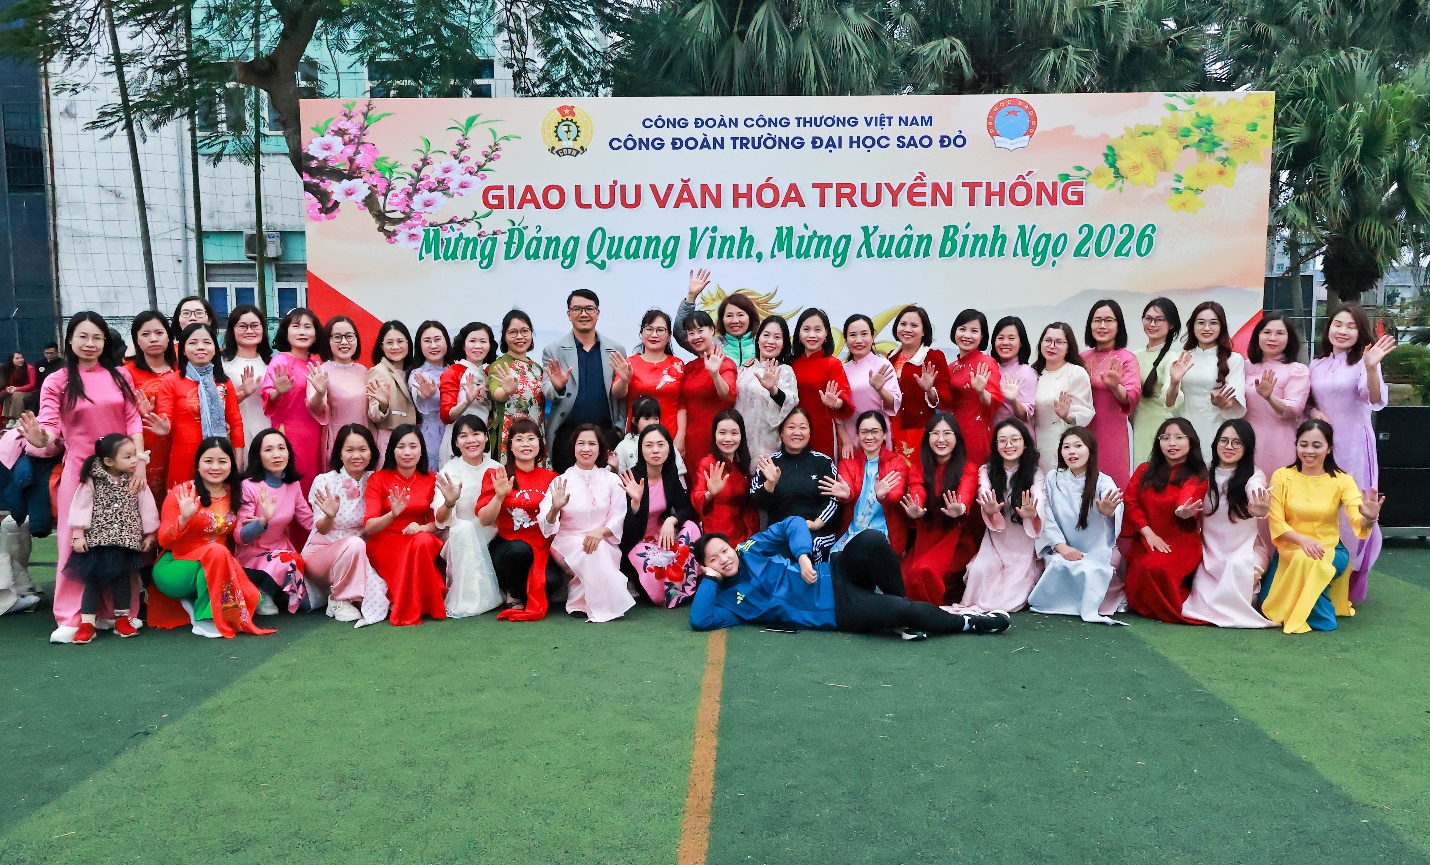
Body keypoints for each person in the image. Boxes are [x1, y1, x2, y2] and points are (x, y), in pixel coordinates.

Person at [20, 311, 147, 643]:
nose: (90, 344)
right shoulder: (57, 380)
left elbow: (133, 419)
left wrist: (140, 462)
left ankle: (119, 613)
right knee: (74, 541)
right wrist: (40, 438)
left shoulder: (120, 375)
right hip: (79, 470)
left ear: (105, 342)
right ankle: (72, 617)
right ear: (70, 340)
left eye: (97, 337)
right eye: (83, 337)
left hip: (121, 472)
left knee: (120, 539)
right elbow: (49, 427)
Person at [690, 520, 1011, 637]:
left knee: (872, 539)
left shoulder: (750, 548)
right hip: (838, 610)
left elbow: (792, 523)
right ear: (707, 567)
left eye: (724, 550)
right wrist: (710, 580)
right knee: (904, 610)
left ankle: (902, 615)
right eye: (714, 560)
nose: (724, 559)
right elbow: (700, 620)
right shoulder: (728, 602)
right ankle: (971, 624)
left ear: (732, 546)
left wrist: (802, 555)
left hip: (836, 571)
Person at [1260, 419, 1383, 634]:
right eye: (1303, 444)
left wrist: (1370, 518)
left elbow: (1358, 518)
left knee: (1309, 564)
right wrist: (1302, 540)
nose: (1309, 451)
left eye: (1317, 445)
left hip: (1330, 550)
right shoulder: (1282, 476)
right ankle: (1316, 595)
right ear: (1296, 445)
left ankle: (1319, 612)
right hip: (1290, 551)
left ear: (1329, 448)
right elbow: (1276, 521)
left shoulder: (1343, 480)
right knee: (1266, 606)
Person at [1308, 302, 1394, 603]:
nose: (1342, 331)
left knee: (1351, 509)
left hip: (1355, 446)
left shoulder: (1364, 363)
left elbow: (1374, 398)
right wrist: (1314, 412)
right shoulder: (1317, 364)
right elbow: (1308, 402)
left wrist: (1371, 367)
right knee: (1320, 507)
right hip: (1319, 449)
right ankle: (1316, 573)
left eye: (1351, 326)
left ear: (1360, 332)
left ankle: (1347, 580)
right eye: (1338, 324)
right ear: (1328, 327)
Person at [150, 437, 274, 638]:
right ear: (198, 464)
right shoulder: (183, 493)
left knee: (252, 596)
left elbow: (240, 536)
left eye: (222, 461)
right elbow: (164, 541)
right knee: (217, 552)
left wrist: (262, 520)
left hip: (216, 563)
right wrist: (183, 519)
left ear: (231, 465)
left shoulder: (236, 493)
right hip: (176, 565)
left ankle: (196, 599)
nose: (215, 467)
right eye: (208, 461)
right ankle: (204, 617)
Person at [1027, 426, 1126, 625]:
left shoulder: (1102, 481)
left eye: (1078, 446)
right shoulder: (1053, 478)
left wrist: (1109, 512)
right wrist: (1061, 547)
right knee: (1059, 565)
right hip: (1062, 549)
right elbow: (1047, 515)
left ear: (1090, 449)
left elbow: (1115, 504)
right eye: (1066, 447)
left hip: (1097, 549)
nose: (1072, 452)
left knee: (1093, 570)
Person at [64, 434, 158, 643]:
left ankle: (122, 619)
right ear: (109, 461)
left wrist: (150, 533)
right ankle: (87, 622)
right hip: (97, 542)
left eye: (135, 455)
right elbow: (81, 506)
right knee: (93, 581)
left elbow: (147, 506)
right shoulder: (93, 480)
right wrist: (78, 534)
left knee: (123, 581)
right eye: (128, 456)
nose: (134, 460)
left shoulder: (135, 480)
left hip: (125, 542)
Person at [948, 418, 1044, 615]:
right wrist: (990, 510)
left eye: (1015, 439)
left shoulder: (1036, 473)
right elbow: (984, 493)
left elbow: (1039, 499)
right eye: (1002, 440)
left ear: (1025, 443)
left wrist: (1032, 514)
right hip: (994, 543)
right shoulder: (986, 470)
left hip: (1023, 545)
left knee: (1011, 598)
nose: (1009, 445)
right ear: (996, 445)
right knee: (978, 572)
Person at [1183, 419, 1274, 628]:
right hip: (1209, 554)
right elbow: (1187, 501)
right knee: (1200, 601)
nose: (1229, 447)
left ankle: (1250, 594)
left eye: (1237, 442)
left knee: (1240, 568)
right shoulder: (1203, 474)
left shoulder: (1254, 474)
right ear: (1215, 444)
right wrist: (1185, 513)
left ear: (1247, 447)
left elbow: (1255, 487)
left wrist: (1259, 506)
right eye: (1224, 440)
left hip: (1245, 550)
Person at [540, 424, 633, 622]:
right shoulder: (561, 481)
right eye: (581, 443)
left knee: (597, 548)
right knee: (591, 550)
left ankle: (578, 601)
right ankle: (608, 604)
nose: (586, 449)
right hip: (567, 542)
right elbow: (547, 525)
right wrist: (555, 508)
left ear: (600, 448)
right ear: (573, 447)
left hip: (604, 540)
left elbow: (618, 515)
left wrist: (601, 532)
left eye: (592, 444)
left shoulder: (612, 480)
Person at [1121, 418, 1209, 625]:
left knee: (1156, 568)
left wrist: (1183, 511)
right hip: (1147, 538)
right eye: (1166, 437)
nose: (1172, 443)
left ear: (1191, 442)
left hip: (1179, 542)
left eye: (1179, 437)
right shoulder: (1144, 470)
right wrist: (1148, 534)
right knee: (1140, 570)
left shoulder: (1197, 475)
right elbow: (1131, 501)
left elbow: (1187, 499)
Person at [303, 423, 389, 627]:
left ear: (371, 452)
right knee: (355, 543)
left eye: (362, 449)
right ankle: (338, 599)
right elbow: (321, 528)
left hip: (359, 553)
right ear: (340, 453)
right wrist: (330, 516)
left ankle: (350, 595)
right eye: (349, 450)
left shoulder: (375, 480)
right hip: (321, 553)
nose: (356, 456)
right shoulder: (325, 481)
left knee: (383, 588)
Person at [363, 424, 447, 626]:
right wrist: (392, 515)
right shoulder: (378, 479)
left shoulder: (432, 479)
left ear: (422, 450)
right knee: (416, 546)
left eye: (413, 446)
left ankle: (412, 601)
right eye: (401, 446)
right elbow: (369, 526)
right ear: (392, 450)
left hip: (418, 536)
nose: (407, 452)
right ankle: (419, 602)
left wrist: (422, 528)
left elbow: (437, 523)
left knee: (423, 541)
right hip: (385, 540)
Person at [477, 418, 560, 621]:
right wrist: (499, 496)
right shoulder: (498, 474)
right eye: (519, 439)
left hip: (541, 546)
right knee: (520, 551)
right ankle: (512, 592)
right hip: (508, 546)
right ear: (510, 446)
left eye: (531, 438)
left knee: (552, 581)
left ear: (539, 444)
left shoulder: (551, 478)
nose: (525, 444)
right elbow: (484, 519)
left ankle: (523, 590)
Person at [542, 289, 628, 472]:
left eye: (589, 309)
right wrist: (558, 387)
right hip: (567, 438)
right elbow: (546, 389)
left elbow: (620, 395)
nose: (583, 314)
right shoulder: (554, 350)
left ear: (597, 313)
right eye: (577, 309)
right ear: (569, 314)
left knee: (605, 487)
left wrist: (619, 430)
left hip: (606, 435)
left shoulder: (616, 349)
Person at [898, 411, 979, 604]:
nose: (941, 439)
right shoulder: (918, 468)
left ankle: (932, 615)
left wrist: (961, 508)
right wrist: (916, 508)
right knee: (902, 576)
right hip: (925, 538)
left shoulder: (968, 468)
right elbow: (917, 489)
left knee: (924, 571)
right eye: (935, 433)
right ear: (928, 438)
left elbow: (966, 492)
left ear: (957, 438)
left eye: (947, 433)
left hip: (955, 540)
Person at [619, 424, 702, 607]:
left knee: (691, 528)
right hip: (637, 542)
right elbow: (624, 532)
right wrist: (635, 504)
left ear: (669, 448)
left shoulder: (670, 474)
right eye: (649, 445)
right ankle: (671, 590)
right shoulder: (630, 478)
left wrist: (672, 520)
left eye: (660, 444)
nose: (655, 450)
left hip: (662, 535)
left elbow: (686, 508)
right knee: (653, 570)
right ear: (641, 450)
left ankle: (684, 586)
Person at [154, 322, 244, 490]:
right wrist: (165, 427)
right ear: (183, 350)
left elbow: (236, 424)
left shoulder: (224, 383)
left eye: (207, 342)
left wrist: (238, 463)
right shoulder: (171, 381)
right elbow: (164, 416)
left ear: (215, 348)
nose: (200, 347)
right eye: (193, 342)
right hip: (184, 458)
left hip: (218, 460)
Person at [236, 429, 315, 615]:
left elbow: (308, 521)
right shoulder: (249, 486)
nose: (276, 454)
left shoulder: (292, 485)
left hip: (283, 554)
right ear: (258, 456)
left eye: (281, 448)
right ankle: (259, 591)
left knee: (307, 605)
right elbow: (240, 536)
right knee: (290, 562)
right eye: (268, 450)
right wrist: (263, 520)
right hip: (253, 556)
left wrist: (330, 519)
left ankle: (277, 593)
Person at [750, 409, 840, 561]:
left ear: (809, 433)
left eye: (803, 427)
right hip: (781, 533)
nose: (797, 432)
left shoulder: (823, 462)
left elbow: (832, 500)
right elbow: (756, 502)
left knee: (808, 548)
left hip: (817, 532)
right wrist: (770, 484)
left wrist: (816, 524)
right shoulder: (769, 463)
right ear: (781, 433)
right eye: (791, 427)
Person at [436, 416, 503, 618]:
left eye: (476, 434)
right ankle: (468, 599)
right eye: (463, 436)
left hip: (490, 534)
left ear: (486, 437)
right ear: (456, 442)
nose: (471, 440)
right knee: (465, 529)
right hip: (457, 536)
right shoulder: (449, 470)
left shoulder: (496, 468)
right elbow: (440, 518)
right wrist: (449, 502)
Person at [1166, 300, 1245, 462]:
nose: (1206, 328)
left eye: (1213, 323)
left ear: (1221, 327)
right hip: (1184, 430)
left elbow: (1233, 404)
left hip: (1216, 429)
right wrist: (1174, 382)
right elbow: (1169, 403)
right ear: (1192, 326)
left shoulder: (1234, 359)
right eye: (1201, 322)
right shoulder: (1180, 357)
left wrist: (1222, 403)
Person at [829, 410, 910, 554]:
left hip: (885, 531)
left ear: (884, 434)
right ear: (858, 435)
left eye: (875, 431)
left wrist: (883, 496)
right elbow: (847, 491)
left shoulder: (897, 462)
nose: (869, 437)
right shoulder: (848, 462)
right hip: (853, 530)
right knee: (835, 557)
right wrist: (846, 496)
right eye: (864, 432)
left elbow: (896, 496)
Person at [262, 307, 323, 495]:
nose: (302, 332)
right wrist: (278, 392)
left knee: (313, 480)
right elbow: (267, 395)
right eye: (296, 326)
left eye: (307, 327)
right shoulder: (280, 361)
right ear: (286, 332)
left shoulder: (316, 363)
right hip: (288, 433)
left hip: (314, 432)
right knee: (291, 482)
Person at [1081, 300, 1142, 487]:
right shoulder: (1082, 358)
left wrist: (1116, 386)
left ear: (1118, 325)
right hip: (1083, 432)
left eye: (1108, 320)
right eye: (1097, 320)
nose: (1102, 325)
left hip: (1112, 435)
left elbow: (1132, 396)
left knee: (1112, 488)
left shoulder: (1126, 358)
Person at [1243, 313, 1309, 477]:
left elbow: (1295, 409)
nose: (1272, 338)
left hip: (1281, 441)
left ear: (1289, 338)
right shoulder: (1244, 367)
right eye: (1267, 332)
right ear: (1257, 336)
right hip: (1245, 440)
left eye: (1280, 333)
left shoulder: (1297, 370)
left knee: (1278, 486)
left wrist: (1269, 397)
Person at [885, 305, 952, 461]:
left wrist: (929, 390)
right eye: (903, 324)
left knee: (918, 471)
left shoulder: (933, 356)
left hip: (920, 428)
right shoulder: (891, 357)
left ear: (924, 331)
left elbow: (946, 399)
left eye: (914, 325)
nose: (907, 329)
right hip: (892, 426)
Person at [124, 311, 175, 503]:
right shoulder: (126, 373)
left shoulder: (182, 370)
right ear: (136, 340)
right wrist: (139, 412)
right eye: (145, 334)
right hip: (142, 447)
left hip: (176, 445)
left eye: (159, 333)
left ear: (169, 337)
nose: (153, 339)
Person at [789, 308, 853, 459]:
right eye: (806, 329)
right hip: (793, 431)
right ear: (799, 333)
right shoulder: (790, 364)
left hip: (824, 430)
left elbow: (843, 396)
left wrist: (836, 403)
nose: (812, 335)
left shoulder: (832, 364)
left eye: (817, 330)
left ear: (826, 334)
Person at [616, 310, 685, 448]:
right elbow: (617, 394)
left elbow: (682, 405)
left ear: (669, 336)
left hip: (670, 438)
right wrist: (624, 380)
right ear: (641, 333)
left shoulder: (678, 365)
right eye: (649, 329)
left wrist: (680, 436)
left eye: (660, 330)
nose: (654, 335)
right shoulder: (629, 364)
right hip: (637, 439)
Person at [945, 309, 1004, 470]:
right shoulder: (951, 367)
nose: (967, 335)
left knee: (974, 475)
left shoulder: (986, 362)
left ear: (982, 336)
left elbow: (994, 401)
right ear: (954, 331)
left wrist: (981, 391)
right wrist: (930, 389)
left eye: (974, 331)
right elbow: (944, 404)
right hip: (952, 431)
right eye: (962, 329)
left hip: (976, 432)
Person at [1031, 323, 1094, 474]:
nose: (1052, 346)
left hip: (1062, 441)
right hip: (1034, 441)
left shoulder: (1075, 373)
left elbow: (1086, 412)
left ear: (1068, 346)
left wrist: (1067, 416)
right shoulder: (1034, 373)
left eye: (1059, 342)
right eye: (1048, 340)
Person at [677, 310, 738, 466]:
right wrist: (681, 435)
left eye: (700, 330)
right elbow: (682, 404)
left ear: (712, 330)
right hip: (691, 441)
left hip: (717, 438)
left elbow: (729, 396)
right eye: (691, 333)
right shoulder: (689, 367)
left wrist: (715, 374)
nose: (696, 337)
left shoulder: (725, 363)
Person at [734, 315, 798, 463]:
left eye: (777, 337)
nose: (770, 341)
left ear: (784, 343)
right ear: (758, 339)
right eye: (766, 335)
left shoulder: (785, 371)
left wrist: (773, 390)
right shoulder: (744, 369)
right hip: (740, 441)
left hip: (769, 445)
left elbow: (790, 402)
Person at [691, 409, 759, 546]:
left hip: (744, 536)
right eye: (722, 433)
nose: (728, 439)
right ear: (714, 435)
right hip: (716, 537)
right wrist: (710, 494)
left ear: (741, 435)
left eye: (734, 433)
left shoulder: (743, 464)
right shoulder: (707, 464)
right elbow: (696, 497)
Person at [1131, 298, 1185, 470]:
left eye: (1159, 319)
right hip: (1136, 428)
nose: (1152, 324)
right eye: (1148, 318)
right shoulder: (1135, 356)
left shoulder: (1171, 358)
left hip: (1160, 430)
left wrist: (1175, 382)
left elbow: (1170, 402)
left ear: (1171, 325)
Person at [308, 315, 369, 465]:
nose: (344, 342)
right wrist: (320, 393)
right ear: (328, 341)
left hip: (365, 439)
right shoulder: (320, 371)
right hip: (337, 441)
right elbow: (315, 409)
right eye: (337, 337)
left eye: (349, 336)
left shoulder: (363, 371)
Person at [839, 314, 900, 460]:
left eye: (864, 334)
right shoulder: (841, 369)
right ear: (846, 340)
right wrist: (846, 441)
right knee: (851, 472)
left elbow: (894, 403)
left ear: (872, 337)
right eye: (853, 335)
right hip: (850, 438)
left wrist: (880, 389)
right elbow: (837, 414)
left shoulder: (882, 365)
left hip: (877, 436)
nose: (858, 340)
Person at [487, 310, 545, 462]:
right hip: (509, 437)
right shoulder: (500, 365)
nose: (520, 336)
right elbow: (496, 394)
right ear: (504, 336)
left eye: (525, 331)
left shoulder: (537, 367)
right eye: (513, 332)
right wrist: (506, 391)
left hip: (535, 436)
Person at [220, 305, 272, 461]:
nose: (249, 331)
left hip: (267, 432)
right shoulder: (222, 363)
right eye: (242, 326)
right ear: (232, 330)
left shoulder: (272, 364)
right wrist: (242, 395)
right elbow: (214, 406)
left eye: (255, 326)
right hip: (232, 433)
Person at [677, 269, 760, 365]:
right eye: (729, 315)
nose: (735, 320)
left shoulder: (761, 344)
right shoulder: (713, 344)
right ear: (722, 319)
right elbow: (681, 333)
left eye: (740, 315)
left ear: (750, 318)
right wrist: (691, 296)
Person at [438, 321, 496, 454]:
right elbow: (446, 416)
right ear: (463, 345)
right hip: (457, 442)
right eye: (472, 341)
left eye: (483, 341)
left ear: (489, 345)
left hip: (482, 442)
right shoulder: (453, 371)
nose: (478, 346)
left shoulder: (488, 374)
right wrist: (467, 402)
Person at [366, 320, 416, 466]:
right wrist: (383, 405)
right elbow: (373, 413)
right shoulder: (378, 371)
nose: (395, 347)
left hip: (412, 438)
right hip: (390, 439)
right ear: (382, 347)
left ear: (408, 343)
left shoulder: (413, 371)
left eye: (400, 341)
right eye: (389, 343)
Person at [409, 320, 451, 470]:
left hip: (458, 433)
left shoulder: (456, 370)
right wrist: (426, 395)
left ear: (446, 341)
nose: (433, 345)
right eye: (427, 341)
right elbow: (418, 393)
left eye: (437, 339)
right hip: (432, 436)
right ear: (419, 346)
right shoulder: (418, 374)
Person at [614, 397, 687, 478]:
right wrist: (614, 468)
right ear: (634, 420)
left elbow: (679, 474)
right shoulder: (624, 446)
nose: (652, 423)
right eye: (647, 418)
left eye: (656, 418)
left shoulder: (667, 443)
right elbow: (616, 476)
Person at [990, 316, 1036, 427]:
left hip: (1017, 434)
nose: (1005, 343)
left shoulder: (1026, 372)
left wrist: (1013, 400)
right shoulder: (991, 368)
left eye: (1011, 338)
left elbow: (1025, 415)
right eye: (1000, 338)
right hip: (994, 434)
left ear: (1021, 342)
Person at [1, 351, 36, 425]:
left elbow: (32, 384)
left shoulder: (30, 368)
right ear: (12, 360)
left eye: (21, 358)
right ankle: (9, 418)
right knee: (7, 394)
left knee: (16, 395)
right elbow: (6, 384)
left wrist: (17, 389)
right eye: (17, 358)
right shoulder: (9, 370)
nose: (20, 360)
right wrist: (8, 388)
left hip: (30, 392)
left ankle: (18, 418)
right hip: (15, 391)